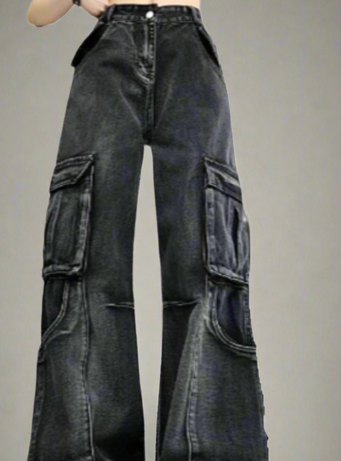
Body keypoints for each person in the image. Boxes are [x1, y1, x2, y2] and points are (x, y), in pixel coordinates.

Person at [25, 1, 269, 460]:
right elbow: (38, 12)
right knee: (85, 263)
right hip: (107, 52)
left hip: (189, 52)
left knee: (208, 266)